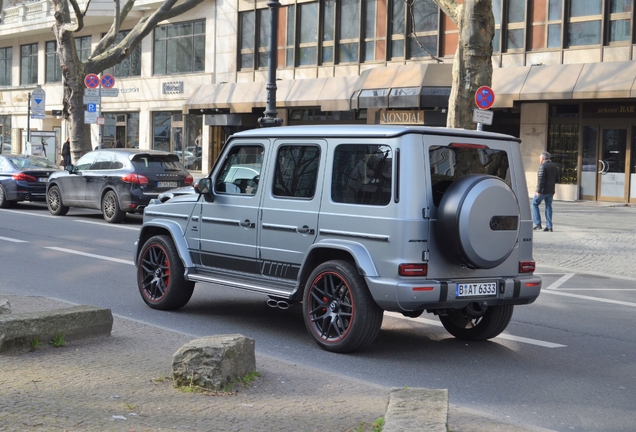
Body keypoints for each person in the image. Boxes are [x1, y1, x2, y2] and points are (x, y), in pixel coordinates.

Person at [532, 151, 560, 232]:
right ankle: (549, 226)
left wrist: (539, 191)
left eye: (540, 158)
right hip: (551, 191)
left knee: (534, 204)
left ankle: (537, 224)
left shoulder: (542, 166)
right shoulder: (554, 166)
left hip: (543, 191)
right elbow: (557, 179)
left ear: (543, 158)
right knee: (548, 207)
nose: (539, 160)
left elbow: (541, 180)